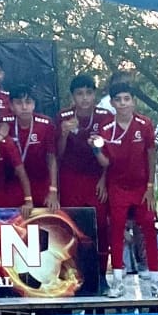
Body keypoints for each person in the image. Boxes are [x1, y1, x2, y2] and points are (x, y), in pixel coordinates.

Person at [92, 82, 158, 299]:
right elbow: (105, 162)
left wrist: (151, 187)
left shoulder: (145, 123)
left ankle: (155, 280)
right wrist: (95, 149)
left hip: (142, 187)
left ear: (133, 101)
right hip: (117, 187)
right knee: (116, 231)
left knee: (149, 231)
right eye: (119, 99)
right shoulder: (105, 128)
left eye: (127, 99)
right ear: (112, 102)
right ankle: (117, 281)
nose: (123, 103)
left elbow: (152, 154)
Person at [56, 74, 113, 282]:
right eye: (80, 94)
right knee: (72, 225)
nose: (85, 98)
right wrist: (63, 134)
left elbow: (111, 154)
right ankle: (74, 274)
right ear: (72, 96)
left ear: (94, 95)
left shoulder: (105, 116)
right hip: (70, 178)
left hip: (97, 178)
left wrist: (105, 179)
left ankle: (99, 275)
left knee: (100, 226)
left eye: (89, 93)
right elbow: (58, 155)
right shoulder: (63, 116)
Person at [9, 85, 58, 211]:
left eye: (28, 102)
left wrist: (53, 190)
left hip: (41, 182)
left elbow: (51, 158)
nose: (24, 107)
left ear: (34, 105)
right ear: (11, 106)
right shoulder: (4, 123)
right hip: (13, 184)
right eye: (19, 103)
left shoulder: (46, 124)